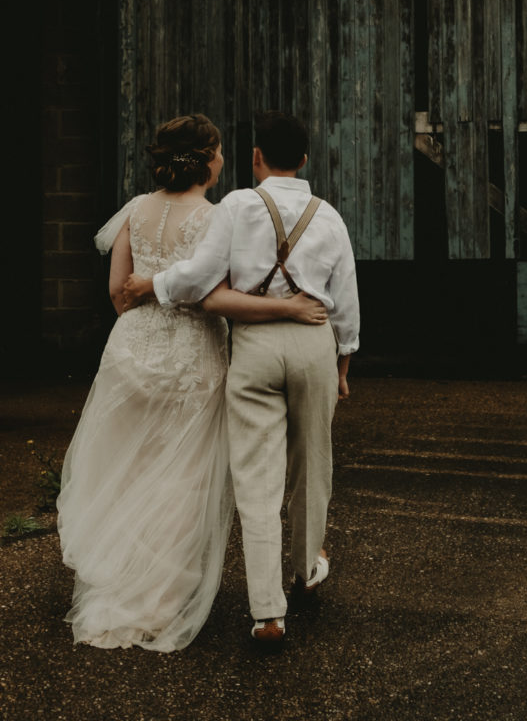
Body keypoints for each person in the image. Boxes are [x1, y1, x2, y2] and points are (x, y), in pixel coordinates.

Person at [57, 114, 328, 652]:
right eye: (220, 151)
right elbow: (213, 299)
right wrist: (287, 309)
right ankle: (157, 595)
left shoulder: (136, 210)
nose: (226, 158)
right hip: (190, 356)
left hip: (131, 353)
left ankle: (117, 578)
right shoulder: (214, 218)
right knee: (181, 476)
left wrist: (148, 306)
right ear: (207, 160)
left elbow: (118, 292)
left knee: (129, 466)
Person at [123, 110, 360, 648]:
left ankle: (267, 612)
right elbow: (347, 303)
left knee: (256, 478)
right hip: (314, 342)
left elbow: (199, 276)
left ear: (256, 158)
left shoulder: (237, 204)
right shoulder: (330, 216)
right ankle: (305, 570)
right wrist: (343, 366)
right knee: (313, 464)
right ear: (304, 159)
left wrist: (151, 283)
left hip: (253, 344)